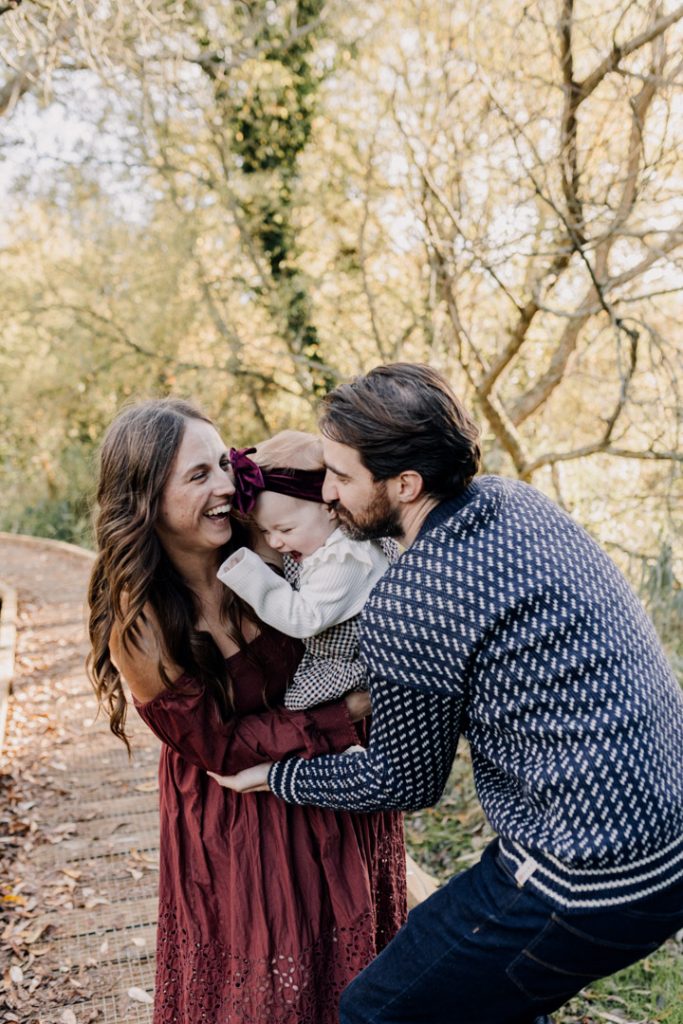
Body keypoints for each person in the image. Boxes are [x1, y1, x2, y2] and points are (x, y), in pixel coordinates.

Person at [209, 364, 683, 1024]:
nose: (328, 492)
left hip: (586, 880)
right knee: (490, 998)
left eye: (341, 476)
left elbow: (402, 781)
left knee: (376, 1011)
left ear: (404, 484)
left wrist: (278, 775)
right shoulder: (515, 501)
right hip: (664, 841)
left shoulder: (413, 600)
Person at [86, 398, 406, 1024]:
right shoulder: (141, 622)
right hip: (239, 819)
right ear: (145, 500)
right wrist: (353, 710)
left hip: (332, 790)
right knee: (269, 992)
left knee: (359, 978)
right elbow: (219, 750)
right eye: (198, 475)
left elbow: (352, 510)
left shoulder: (268, 539)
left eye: (223, 463)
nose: (227, 486)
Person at [216, 430, 393, 710]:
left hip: (360, 668)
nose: (274, 541)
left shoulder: (344, 559)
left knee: (300, 708)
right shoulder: (319, 542)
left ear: (329, 508)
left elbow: (304, 618)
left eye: (285, 529)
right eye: (264, 530)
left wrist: (250, 575)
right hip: (341, 661)